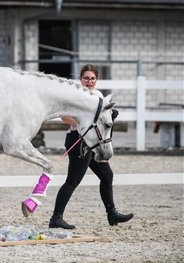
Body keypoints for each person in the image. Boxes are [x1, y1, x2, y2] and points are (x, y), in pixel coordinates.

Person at [49, 64, 134, 229]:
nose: (89, 81)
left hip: (94, 141)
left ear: (96, 80)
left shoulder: (98, 95)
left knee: (107, 175)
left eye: (92, 78)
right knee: (73, 180)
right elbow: (63, 116)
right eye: (86, 78)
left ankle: (112, 213)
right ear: (81, 79)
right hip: (77, 140)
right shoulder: (75, 95)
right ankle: (56, 218)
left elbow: (102, 122)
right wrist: (82, 125)